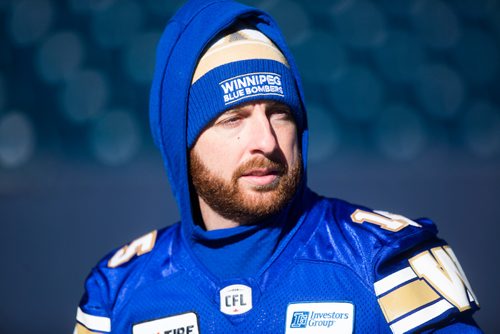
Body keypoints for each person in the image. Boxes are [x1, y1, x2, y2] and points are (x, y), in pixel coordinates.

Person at [74, 0, 481, 333]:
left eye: (280, 113)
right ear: (182, 142)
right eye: (233, 118)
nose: (266, 141)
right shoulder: (119, 292)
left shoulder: (385, 263)